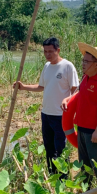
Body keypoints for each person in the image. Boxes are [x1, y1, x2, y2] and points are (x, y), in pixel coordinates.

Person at [13, 37, 79, 175]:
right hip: (46, 113)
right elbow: (41, 87)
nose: (47, 54)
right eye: (45, 51)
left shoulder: (68, 66)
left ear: (58, 50)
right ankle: (51, 174)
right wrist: (24, 87)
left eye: (50, 51)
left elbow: (76, 90)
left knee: (60, 148)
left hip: (61, 115)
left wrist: (67, 100)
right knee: (48, 147)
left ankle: (63, 177)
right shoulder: (47, 66)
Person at [61, 43, 97, 194]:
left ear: (96, 64)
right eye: (83, 61)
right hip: (82, 128)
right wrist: (67, 99)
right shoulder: (85, 78)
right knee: (84, 163)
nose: (82, 64)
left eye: (86, 62)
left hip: (95, 131)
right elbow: (79, 94)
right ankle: (85, 192)